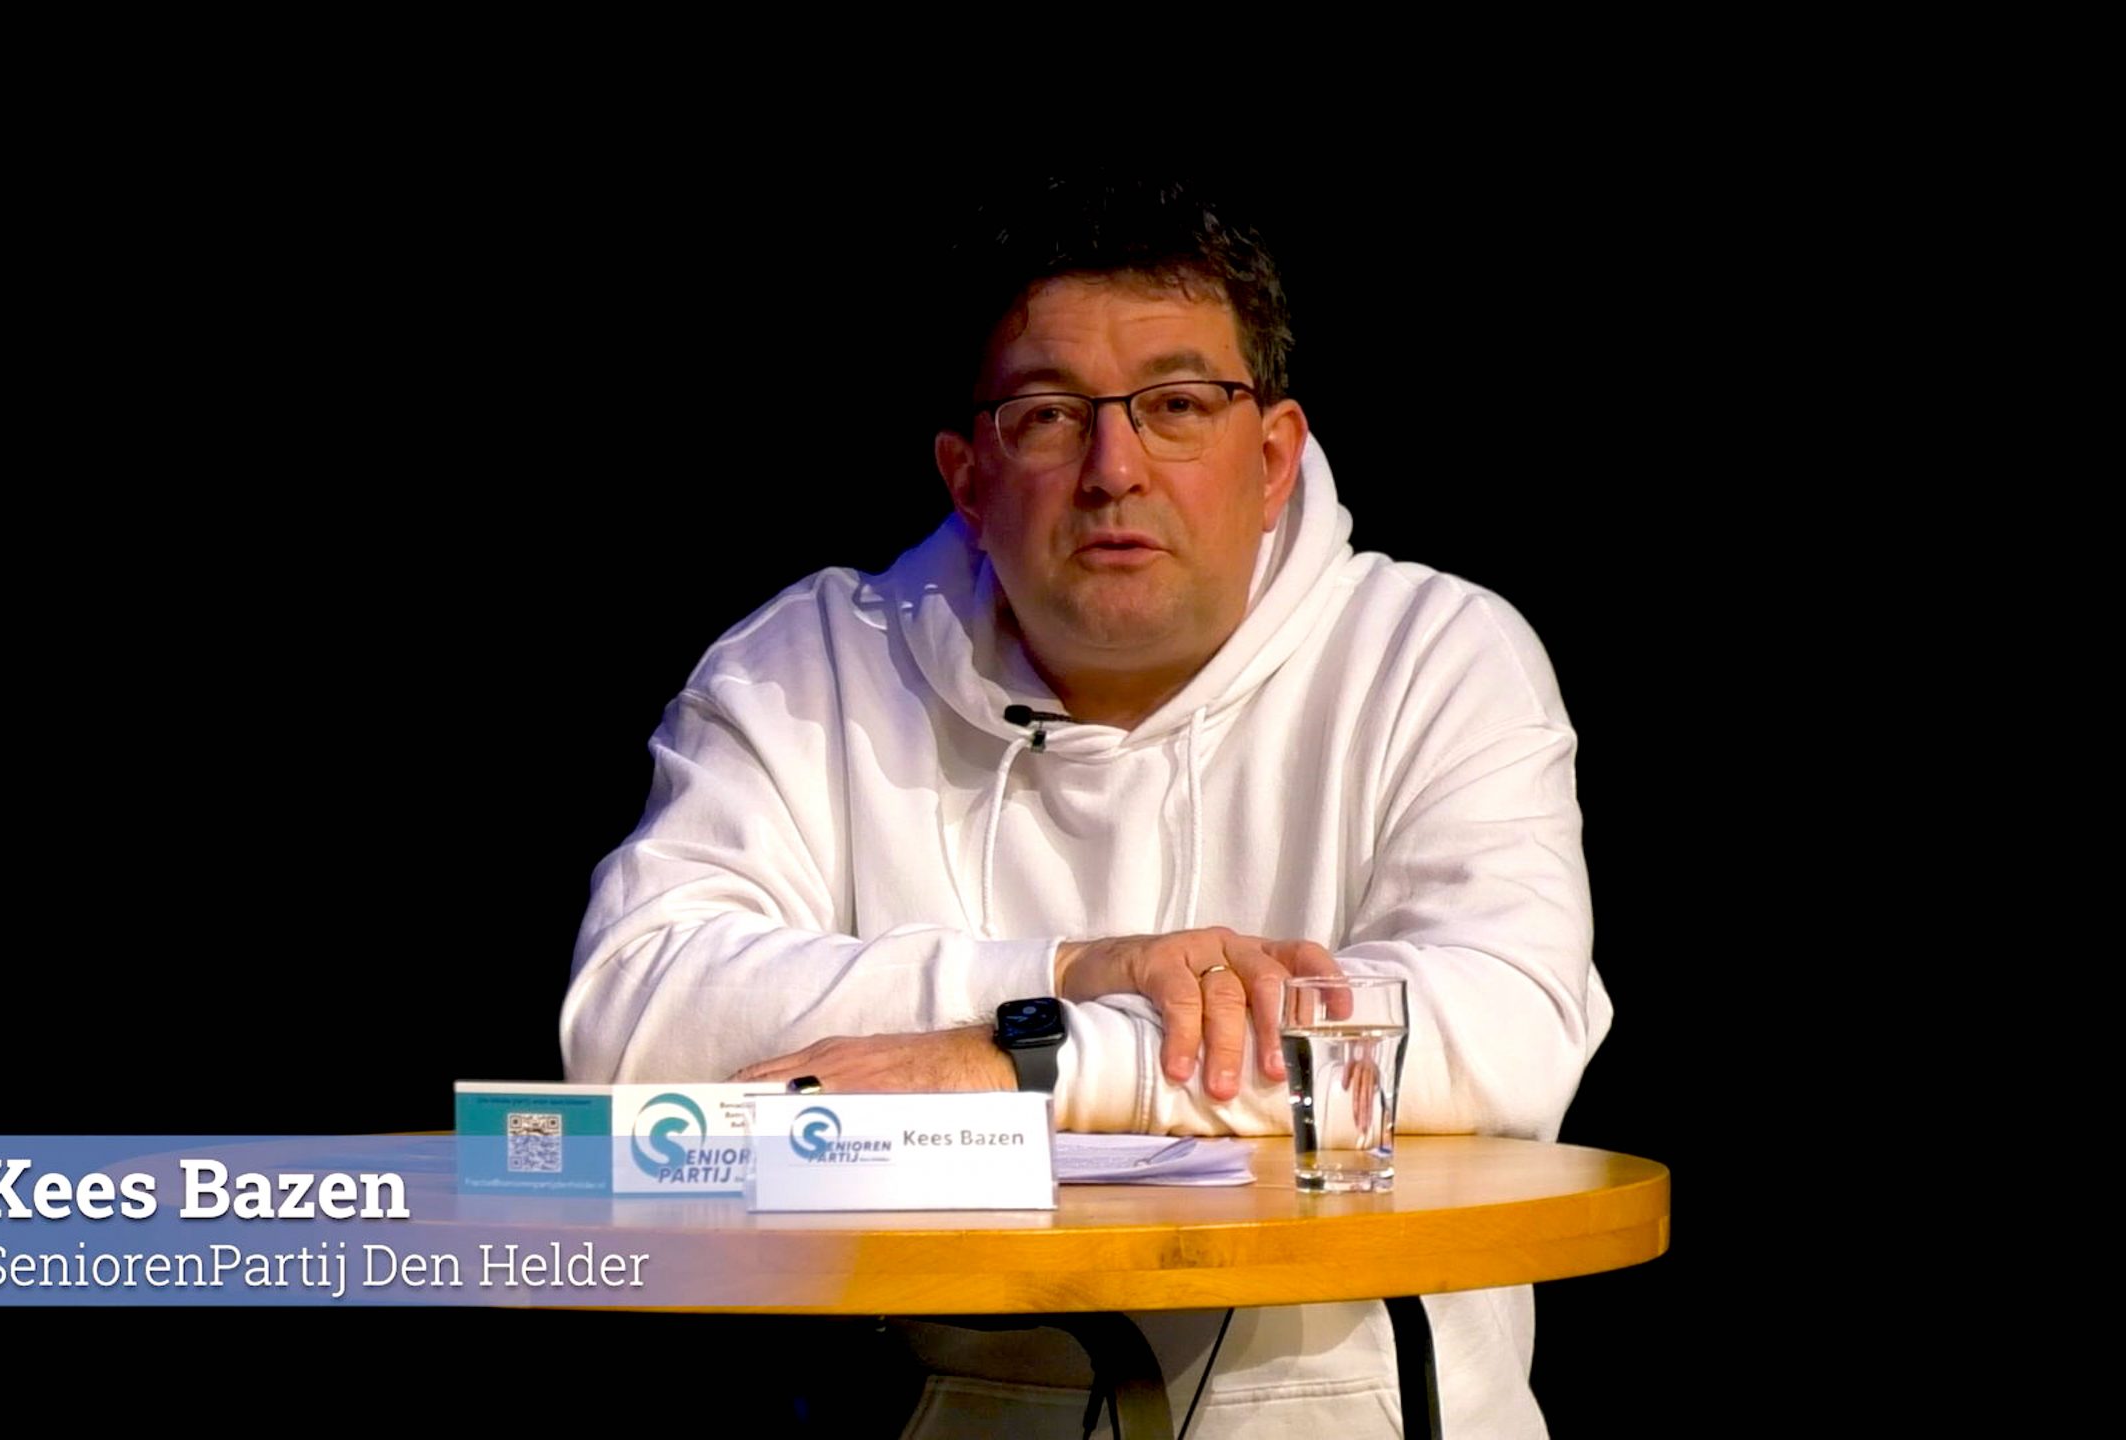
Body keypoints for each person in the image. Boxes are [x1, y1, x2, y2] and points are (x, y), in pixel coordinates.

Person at [562, 176, 1612, 1438]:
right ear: (967, 477)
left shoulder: (1438, 653)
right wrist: (1061, 972)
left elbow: (1500, 1031)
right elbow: (629, 1023)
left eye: (1177, 406)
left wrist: (1024, 1060)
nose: (1115, 472)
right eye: (1050, 416)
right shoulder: (806, 666)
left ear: (1272, 458)